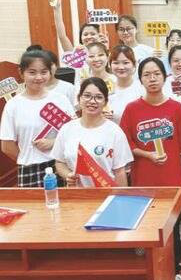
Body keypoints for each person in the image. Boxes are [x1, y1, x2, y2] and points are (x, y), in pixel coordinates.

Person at [119, 57, 181, 280]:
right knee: (146, 229)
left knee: (173, 230)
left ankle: (175, 273)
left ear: (164, 76)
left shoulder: (175, 108)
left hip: (172, 179)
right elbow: (126, 144)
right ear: (140, 79)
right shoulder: (132, 109)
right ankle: (147, 276)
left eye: (156, 74)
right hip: (144, 180)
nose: (152, 79)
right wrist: (147, 154)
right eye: (147, 74)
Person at [1, 50, 75, 187]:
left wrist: (53, 142)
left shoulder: (60, 99)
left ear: (50, 72)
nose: (39, 77)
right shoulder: (13, 105)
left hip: (61, 166)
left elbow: (74, 132)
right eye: (32, 72)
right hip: (29, 168)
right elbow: (7, 146)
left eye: (44, 72)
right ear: (21, 73)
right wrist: (27, 157)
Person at [52, 77, 133, 187]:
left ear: (105, 102)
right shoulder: (67, 129)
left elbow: (120, 172)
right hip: (76, 194)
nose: (92, 101)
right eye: (87, 96)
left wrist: (121, 196)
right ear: (79, 98)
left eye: (99, 97)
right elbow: (60, 162)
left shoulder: (115, 132)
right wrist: (68, 175)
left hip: (106, 192)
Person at [108, 45, 144, 124]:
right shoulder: (106, 88)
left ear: (134, 64)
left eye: (126, 63)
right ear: (110, 65)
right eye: (116, 63)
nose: (121, 67)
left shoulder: (142, 89)